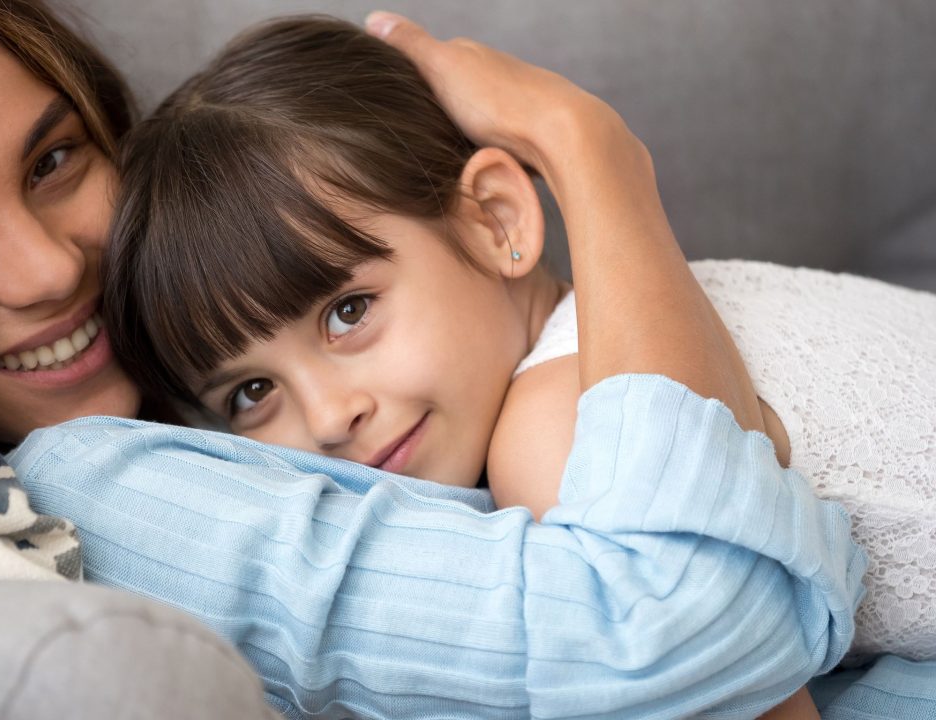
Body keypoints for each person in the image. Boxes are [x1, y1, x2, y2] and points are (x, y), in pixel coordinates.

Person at [0, 1, 869, 717]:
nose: (45, 269)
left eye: (56, 159)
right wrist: (591, 149)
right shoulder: (94, 481)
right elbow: (685, 632)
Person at [105, 15, 936, 666]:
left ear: (496, 219)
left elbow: (740, 689)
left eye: (348, 311)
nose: (327, 419)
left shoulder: (548, 427)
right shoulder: (650, 294)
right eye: (252, 393)